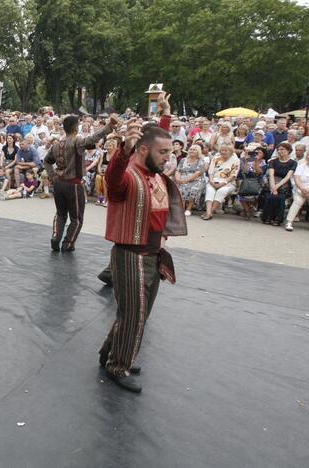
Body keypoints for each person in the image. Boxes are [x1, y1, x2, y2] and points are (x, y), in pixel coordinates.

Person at [98, 92, 187, 393]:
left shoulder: (153, 169)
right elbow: (112, 177)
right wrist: (123, 149)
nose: (168, 157)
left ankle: (109, 353)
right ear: (144, 150)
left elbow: (157, 138)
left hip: (153, 253)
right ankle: (117, 365)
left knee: (138, 312)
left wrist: (165, 115)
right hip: (130, 255)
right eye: (163, 153)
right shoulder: (128, 176)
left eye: (169, 153)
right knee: (134, 314)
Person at [44, 114, 119, 252]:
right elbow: (94, 138)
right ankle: (68, 243)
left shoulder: (56, 145)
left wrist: (52, 175)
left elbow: (46, 161)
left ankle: (56, 235)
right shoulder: (77, 142)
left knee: (60, 213)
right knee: (76, 218)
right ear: (75, 128)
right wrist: (109, 126)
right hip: (74, 184)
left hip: (59, 183)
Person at [260, 142, 297, 226]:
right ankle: (267, 217)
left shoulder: (293, 163)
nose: (280, 151)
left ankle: (278, 219)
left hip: (284, 184)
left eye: (282, 149)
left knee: (280, 198)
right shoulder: (273, 161)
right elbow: (271, 174)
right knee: (270, 196)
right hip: (272, 182)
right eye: (278, 150)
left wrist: (277, 187)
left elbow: (288, 177)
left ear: (288, 150)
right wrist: (273, 187)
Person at [200, 144, 239, 220]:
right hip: (214, 180)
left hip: (228, 182)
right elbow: (210, 172)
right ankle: (208, 212)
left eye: (225, 150)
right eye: (221, 150)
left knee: (222, 191)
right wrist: (211, 181)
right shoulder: (215, 158)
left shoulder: (236, 160)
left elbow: (234, 174)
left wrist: (223, 183)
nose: (223, 152)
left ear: (230, 151)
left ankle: (210, 212)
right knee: (210, 190)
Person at [175, 144, 207, 216]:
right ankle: (181, 208)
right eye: (191, 149)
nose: (192, 151)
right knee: (180, 188)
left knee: (194, 189)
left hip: (196, 180)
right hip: (182, 178)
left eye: (194, 150)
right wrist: (178, 179)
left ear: (198, 152)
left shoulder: (201, 161)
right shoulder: (183, 160)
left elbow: (198, 173)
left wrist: (186, 180)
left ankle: (189, 209)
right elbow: (178, 170)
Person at [285, 152, 309, 231]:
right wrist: (303, 189)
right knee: (298, 201)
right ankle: (289, 222)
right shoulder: (301, 166)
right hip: (300, 189)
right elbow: (297, 179)